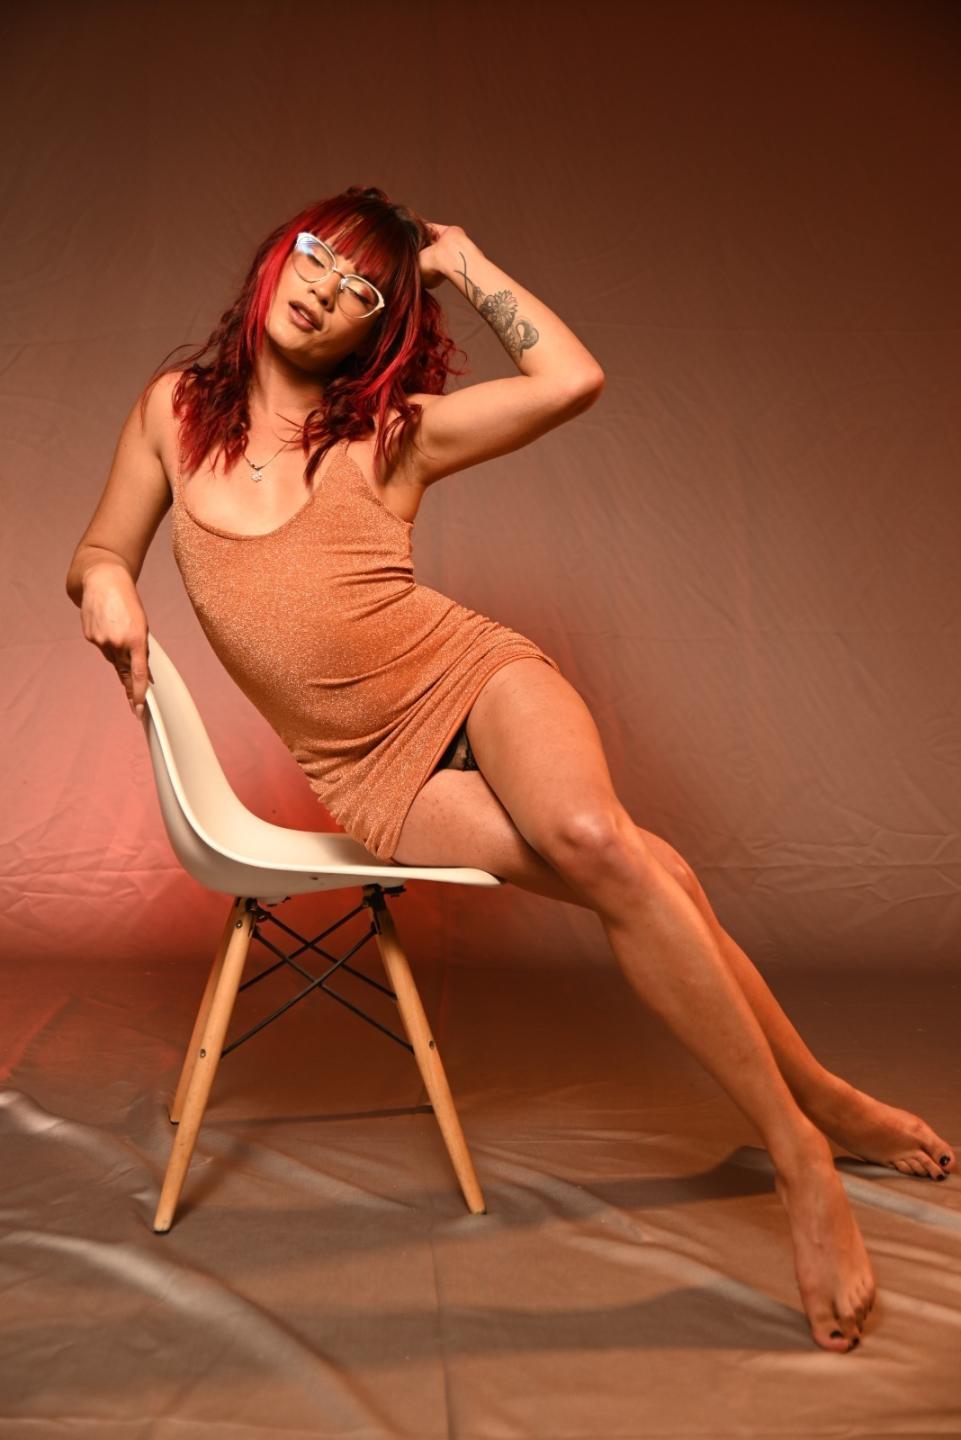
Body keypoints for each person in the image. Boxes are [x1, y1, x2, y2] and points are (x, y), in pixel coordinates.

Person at [66, 183, 952, 1353]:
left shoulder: (392, 435)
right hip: (371, 771)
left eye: (364, 288)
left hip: (472, 676)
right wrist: (107, 581)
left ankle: (800, 1156)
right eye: (320, 256)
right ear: (279, 255)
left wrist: (468, 265)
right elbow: (100, 546)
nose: (326, 288)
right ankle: (823, 1100)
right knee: (649, 872)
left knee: (592, 840)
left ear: (380, 328)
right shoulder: (172, 412)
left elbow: (571, 382)